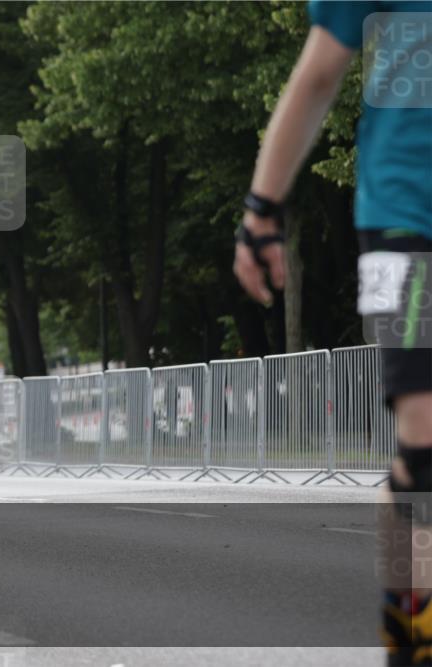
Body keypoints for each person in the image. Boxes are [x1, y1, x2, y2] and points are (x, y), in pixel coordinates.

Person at [232, 4, 431, 664]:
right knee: (425, 446)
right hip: (409, 214)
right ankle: (414, 641)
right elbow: (319, 72)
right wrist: (261, 210)